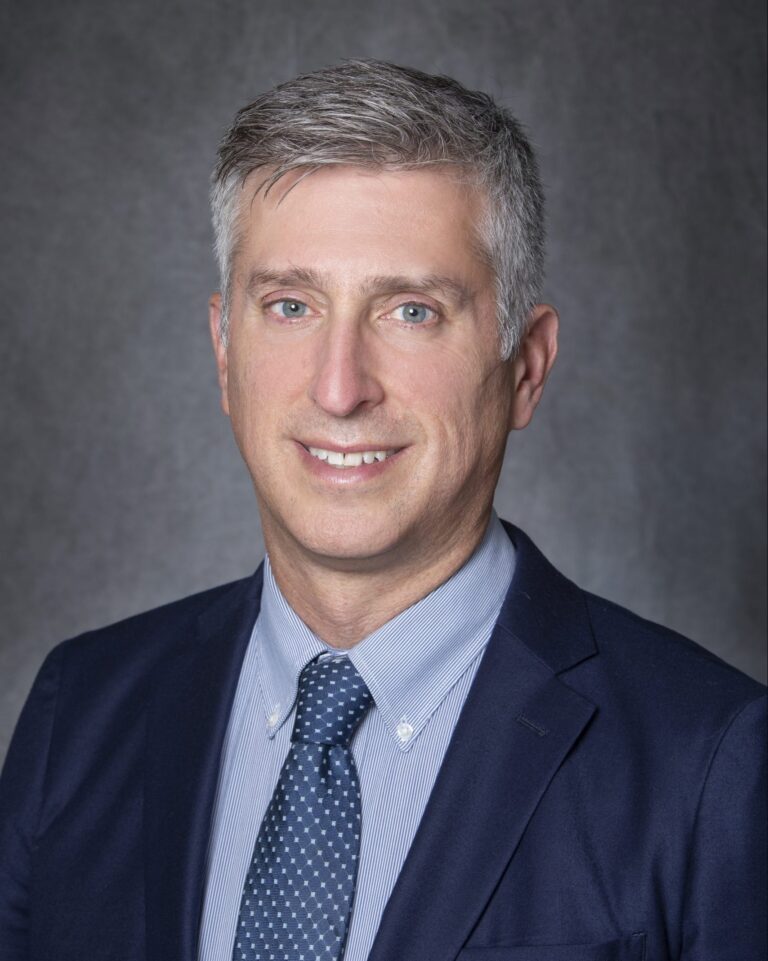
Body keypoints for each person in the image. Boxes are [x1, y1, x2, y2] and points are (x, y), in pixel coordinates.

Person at [0, 60, 765, 961]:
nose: (340, 387)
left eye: (411, 311)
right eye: (291, 305)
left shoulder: (709, 762)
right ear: (223, 352)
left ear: (526, 367)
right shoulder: (80, 709)